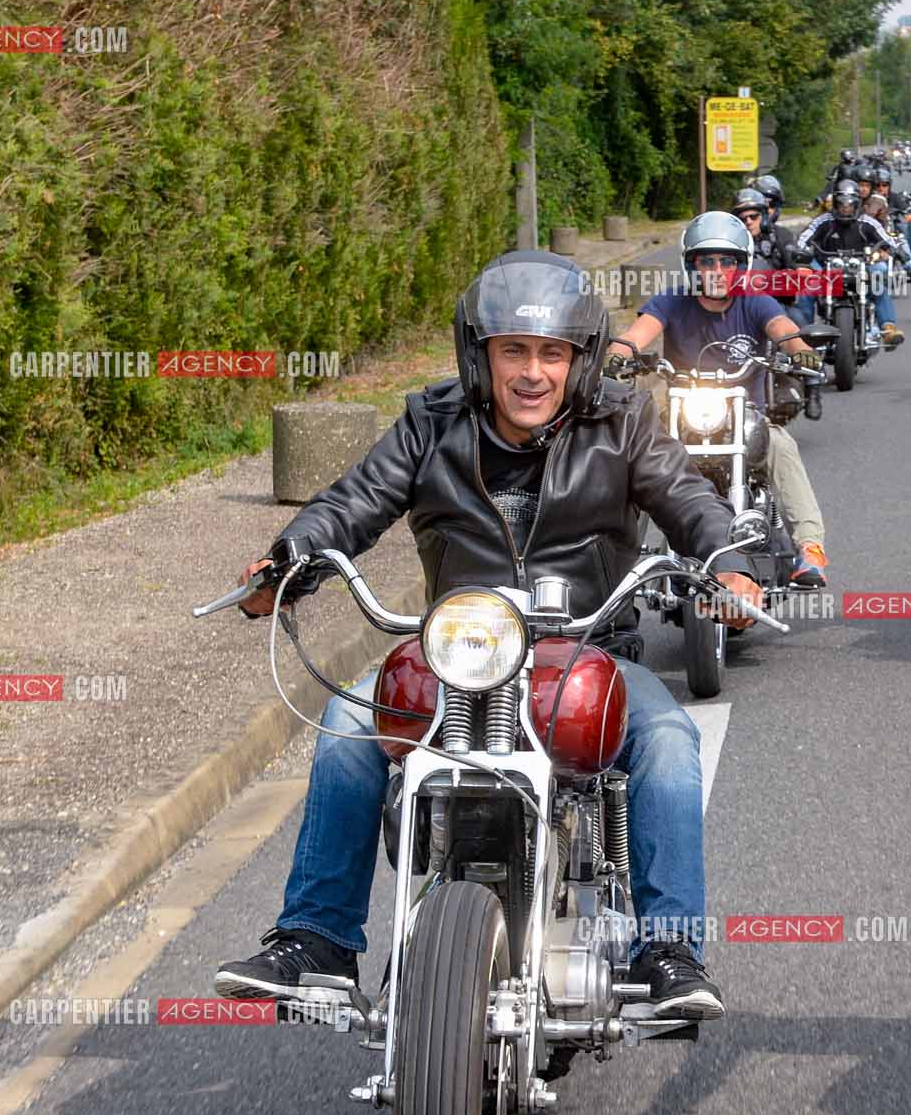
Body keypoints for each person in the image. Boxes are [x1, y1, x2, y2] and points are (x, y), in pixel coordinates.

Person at [213, 252, 761, 1019]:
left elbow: (686, 496)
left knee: (669, 742)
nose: (532, 373)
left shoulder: (623, 421)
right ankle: (318, 940)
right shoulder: (429, 424)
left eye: (551, 354)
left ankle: (667, 951)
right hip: (455, 657)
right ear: (481, 357)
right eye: (513, 351)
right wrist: (290, 559)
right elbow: (354, 503)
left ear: (580, 360)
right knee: (345, 721)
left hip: (587, 653)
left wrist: (729, 562)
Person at [612, 212, 837, 588]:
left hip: (744, 416)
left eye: (727, 261)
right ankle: (617, 556)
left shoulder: (755, 301)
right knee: (632, 456)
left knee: (781, 444)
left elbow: (782, 329)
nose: (717, 269)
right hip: (683, 416)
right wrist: (616, 354)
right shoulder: (672, 300)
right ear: (691, 265)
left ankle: (810, 549)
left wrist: (800, 351)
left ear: (741, 265)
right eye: (707, 260)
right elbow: (637, 334)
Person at [790, 179, 908, 349]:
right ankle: (804, 334)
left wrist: (896, 250)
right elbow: (803, 238)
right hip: (827, 270)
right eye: (841, 204)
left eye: (850, 204)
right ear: (835, 203)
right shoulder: (824, 221)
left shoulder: (867, 222)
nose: (846, 208)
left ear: (857, 203)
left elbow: (887, 239)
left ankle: (888, 329)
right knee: (806, 288)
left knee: (878, 284)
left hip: (860, 268)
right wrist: (798, 250)